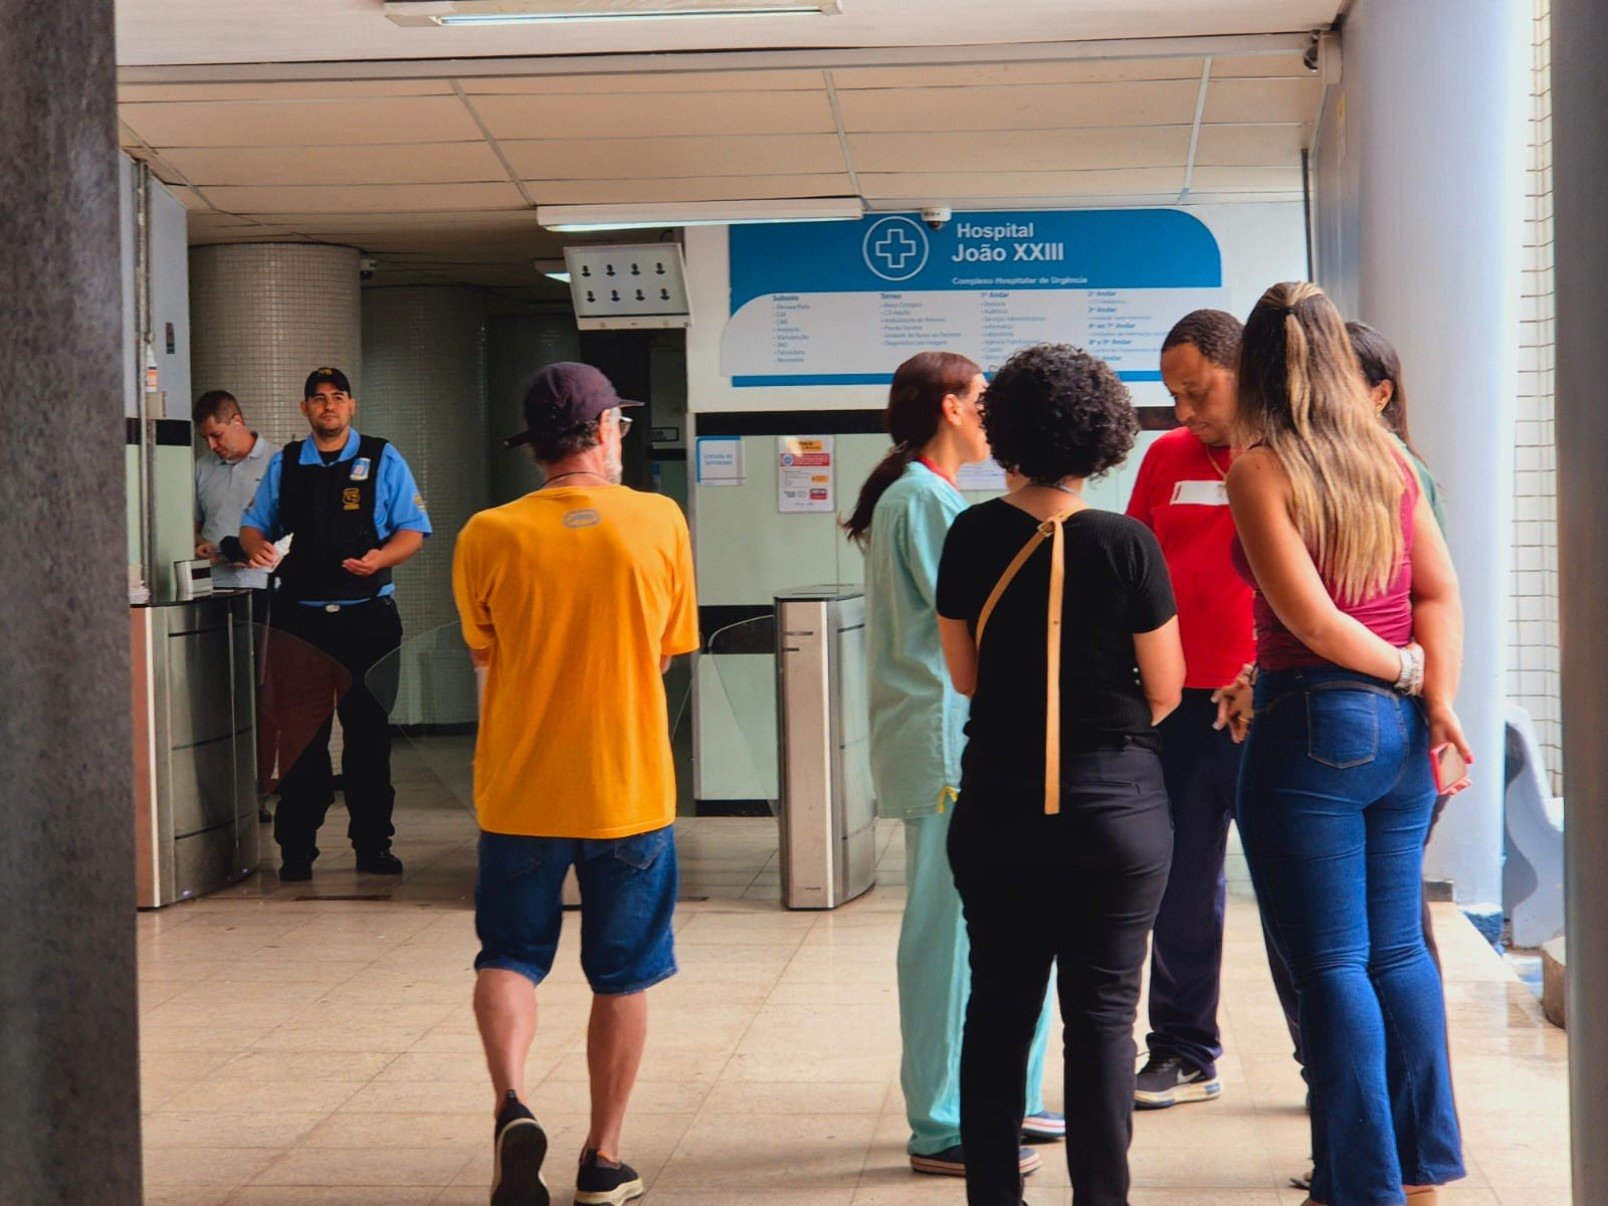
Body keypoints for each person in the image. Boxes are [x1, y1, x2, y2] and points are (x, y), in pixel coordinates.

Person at [1225, 282, 1467, 1206]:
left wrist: (1407, 680)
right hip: (1401, 739)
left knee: (1329, 964)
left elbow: (1312, 622)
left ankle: (1358, 1185)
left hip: (1314, 727)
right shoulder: (1390, 462)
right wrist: (1433, 696)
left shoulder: (1262, 467)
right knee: (1397, 953)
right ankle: (1420, 1168)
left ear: (1256, 366)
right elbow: (1440, 594)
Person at [935, 343, 1185, 1206]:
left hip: (998, 809)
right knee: (1105, 1021)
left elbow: (963, 675)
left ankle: (994, 1195)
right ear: (1103, 438)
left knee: (998, 1009)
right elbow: (1168, 687)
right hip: (1116, 814)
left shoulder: (969, 534)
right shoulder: (1129, 544)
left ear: (1004, 434)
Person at [452, 362, 699, 1206]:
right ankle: (603, 1159)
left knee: (510, 955)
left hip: (519, 789)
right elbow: (667, 648)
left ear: (536, 448)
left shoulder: (488, 532)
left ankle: (513, 1103)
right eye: (619, 426)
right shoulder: (659, 521)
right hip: (626, 790)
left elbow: (485, 653)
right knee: (623, 973)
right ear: (602, 432)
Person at [846, 351, 1058, 1182]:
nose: (990, 416)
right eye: (982, 400)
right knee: (944, 935)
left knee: (998, 928)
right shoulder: (920, 500)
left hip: (966, 736)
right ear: (950, 405)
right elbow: (977, 620)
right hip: (942, 741)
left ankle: (1010, 1098)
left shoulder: (932, 496)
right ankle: (940, 1121)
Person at [1122, 309, 1255, 1110]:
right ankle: (1181, 1050)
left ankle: (1326, 1060)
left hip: (1267, 703)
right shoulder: (1166, 456)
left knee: (1293, 893)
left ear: (1242, 370)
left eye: (1198, 391)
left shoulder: (1287, 457)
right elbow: (1137, 570)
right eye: (1173, 393)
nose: (1184, 410)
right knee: (1176, 886)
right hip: (1175, 708)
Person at [240, 367, 431, 881]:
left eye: (337, 398)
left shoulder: (381, 456)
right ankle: (297, 850)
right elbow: (257, 520)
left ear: (351, 406)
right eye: (318, 399)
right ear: (305, 409)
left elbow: (413, 531)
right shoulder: (288, 464)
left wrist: (380, 559)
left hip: (366, 620)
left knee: (368, 739)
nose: (328, 406)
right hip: (300, 622)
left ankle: (373, 846)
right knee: (301, 741)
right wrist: (255, 541)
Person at [192, 389, 276, 820]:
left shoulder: (275, 462)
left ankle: (259, 789)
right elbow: (189, 525)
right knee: (212, 691)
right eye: (206, 438)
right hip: (213, 587)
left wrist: (256, 550)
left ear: (238, 422)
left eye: (217, 434)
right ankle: (214, 790)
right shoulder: (202, 469)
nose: (212, 445)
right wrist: (204, 547)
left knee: (260, 691)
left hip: (262, 588)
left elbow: (290, 527)